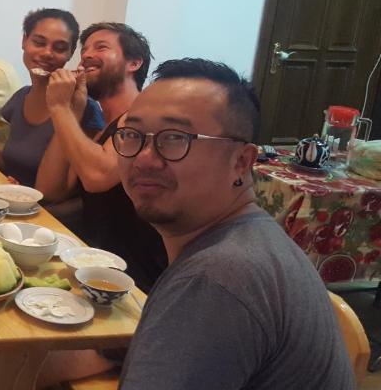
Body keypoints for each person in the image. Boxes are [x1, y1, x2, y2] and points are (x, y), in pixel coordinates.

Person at [114, 58, 354, 389]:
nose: (143, 157)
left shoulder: (217, 278)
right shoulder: (248, 241)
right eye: (132, 134)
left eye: (175, 138)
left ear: (242, 161)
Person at [37, 22, 166, 293]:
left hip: (134, 284)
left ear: (134, 63)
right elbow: (50, 189)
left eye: (101, 47)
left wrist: (58, 107)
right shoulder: (102, 133)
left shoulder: (144, 118)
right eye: (84, 49)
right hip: (92, 269)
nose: (86, 55)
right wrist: (72, 110)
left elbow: (98, 178)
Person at [0, 9, 103, 188]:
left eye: (60, 48)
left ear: (70, 54)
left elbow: (63, 190)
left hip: (46, 213)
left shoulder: (84, 107)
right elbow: (13, 161)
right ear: (24, 41)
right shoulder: (20, 97)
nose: (47, 53)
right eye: (39, 42)